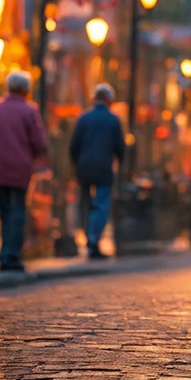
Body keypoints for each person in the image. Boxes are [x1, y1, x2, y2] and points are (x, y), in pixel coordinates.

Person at [0, 70, 49, 272]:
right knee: (17, 212)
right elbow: (39, 142)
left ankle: (5, 254)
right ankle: (11, 256)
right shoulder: (29, 111)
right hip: (20, 169)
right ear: (26, 89)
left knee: (5, 212)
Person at [69, 83, 125, 259]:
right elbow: (120, 148)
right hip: (103, 168)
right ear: (109, 100)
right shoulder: (113, 120)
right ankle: (93, 239)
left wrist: (76, 163)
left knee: (84, 203)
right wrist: (120, 164)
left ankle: (87, 235)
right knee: (100, 204)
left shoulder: (83, 118)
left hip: (84, 167)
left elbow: (74, 145)